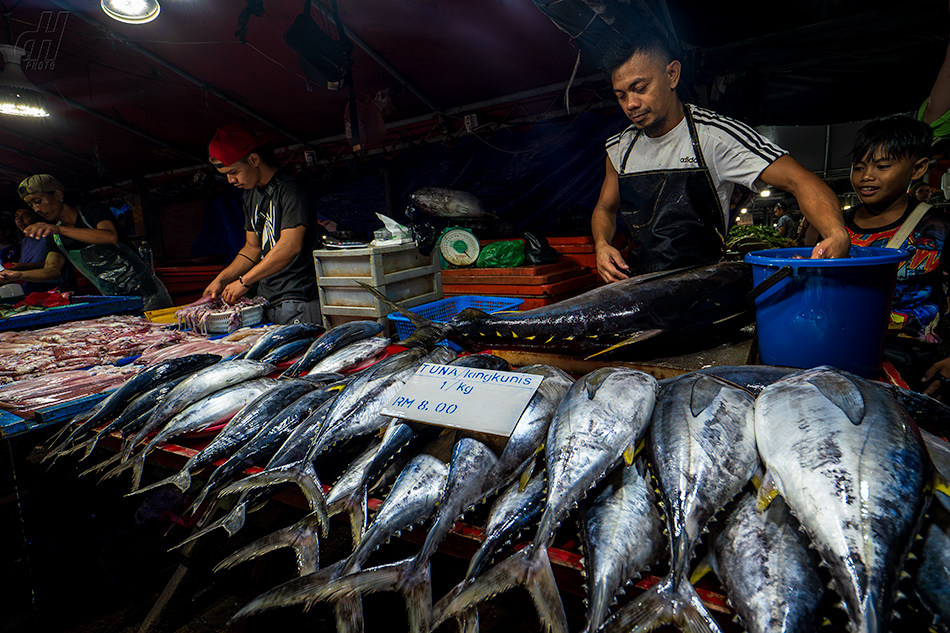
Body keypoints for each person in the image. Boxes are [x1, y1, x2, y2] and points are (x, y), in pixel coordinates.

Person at [591, 34, 850, 281]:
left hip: (702, 290)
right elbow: (605, 207)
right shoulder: (619, 148)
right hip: (639, 286)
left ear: (672, 75)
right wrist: (602, 244)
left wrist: (836, 233)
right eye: (621, 95)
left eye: (640, 88)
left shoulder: (715, 137)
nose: (631, 104)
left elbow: (799, 179)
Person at [845, 116, 950, 397]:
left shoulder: (937, 227)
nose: (866, 175)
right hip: (844, 353)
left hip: (913, 362)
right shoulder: (836, 227)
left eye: (882, 166)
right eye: (859, 167)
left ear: (917, 168)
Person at [203, 123, 320, 325]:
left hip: (297, 299)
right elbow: (252, 248)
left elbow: (290, 246)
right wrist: (221, 279)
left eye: (234, 172)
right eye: (227, 175)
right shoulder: (250, 195)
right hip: (266, 300)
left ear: (254, 159)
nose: (231, 180)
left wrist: (244, 281)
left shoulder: (290, 190)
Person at [0, 174, 172, 311]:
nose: (37, 209)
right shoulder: (56, 236)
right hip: (113, 297)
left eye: (38, 201)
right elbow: (52, 271)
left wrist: (59, 229)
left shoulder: (91, 211)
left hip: (147, 291)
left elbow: (109, 236)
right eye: (32, 205)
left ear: (58, 195)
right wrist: (18, 276)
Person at [7, 207, 72, 293]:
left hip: (53, 286)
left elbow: (55, 267)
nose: (19, 220)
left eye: (25, 216)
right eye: (16, 217)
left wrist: (25, 267)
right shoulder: (25, 241)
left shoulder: (52, 236)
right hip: (32, 284)